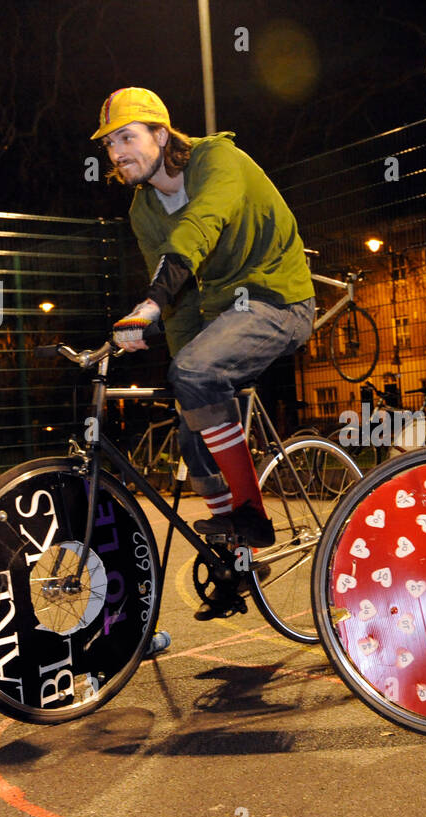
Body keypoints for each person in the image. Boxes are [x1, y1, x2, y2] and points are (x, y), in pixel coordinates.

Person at [92, 87, 316, 613]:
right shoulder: (143, 210)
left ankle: (253, 519)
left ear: (161, 135)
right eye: (108, 145)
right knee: (193, 433)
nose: (117, 152)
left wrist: (150, 305)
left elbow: (198, 230)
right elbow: (181, 302)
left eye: (127, 137)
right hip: (221, 317)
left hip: (279, 300)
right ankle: (237, 565)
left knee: (192, 372)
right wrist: (169, 351)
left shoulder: (220, 159)